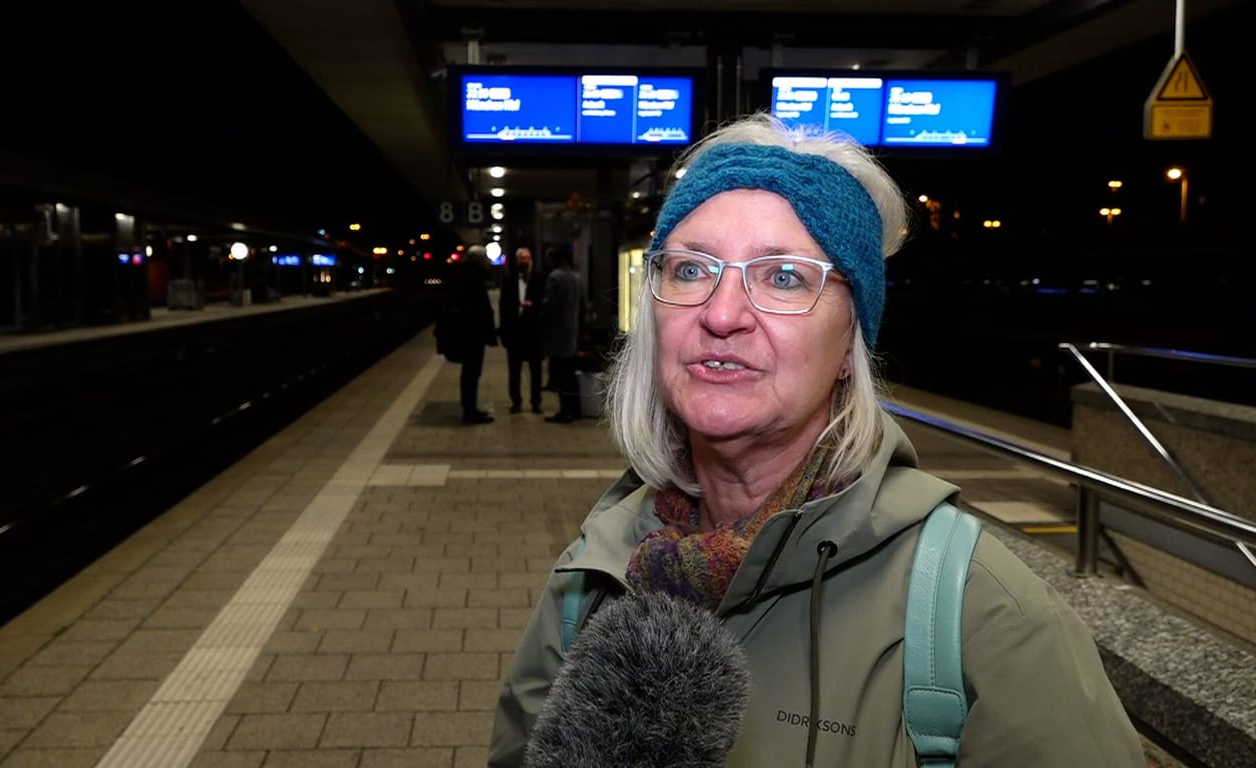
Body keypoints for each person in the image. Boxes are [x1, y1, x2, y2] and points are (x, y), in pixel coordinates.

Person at [489, 112, 1145, 766]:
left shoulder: (985, 617)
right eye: (691, 269)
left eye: (782, 277)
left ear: (848, 344)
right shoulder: (595, 568)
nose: (721, 313)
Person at [450, 244, 498, 424]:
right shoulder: (473, 278)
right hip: (472, 334)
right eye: (486, 258)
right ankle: (469, 412)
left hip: (469, 333)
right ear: (479, 260)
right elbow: (478, 309)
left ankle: (469, 409)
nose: (488, 261)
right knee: (471, 373)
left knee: (470, 373)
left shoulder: (464, 275)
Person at [498, 245, 545, 414]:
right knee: (515, 371)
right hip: (515, 332)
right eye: (522, 258)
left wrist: (533, 306)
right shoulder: (510, 279)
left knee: (536, 370)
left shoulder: (539, 278)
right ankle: (516, 401)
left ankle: (536, 402)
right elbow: (503, 306)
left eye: (527, 258)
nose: (525, 261)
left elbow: (544, 303)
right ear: (517, 261)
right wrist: (503, 331)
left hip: (533, 332)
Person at [540, 245, 583, 424]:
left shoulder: (555, 277)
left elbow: (549, 305)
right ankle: (575, 409)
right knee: (570, 374)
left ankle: (565, 411)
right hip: (572, 331)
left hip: (558, 332)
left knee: (560, 374)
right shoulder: (576, 277)